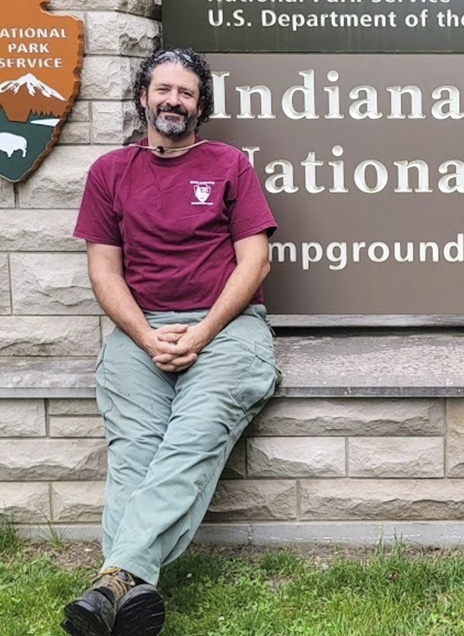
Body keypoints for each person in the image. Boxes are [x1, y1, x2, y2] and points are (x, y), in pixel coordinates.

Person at [63, 48, 279, 636]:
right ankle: (127, 591)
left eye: (186, 93)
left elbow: (254, 261)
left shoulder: (230, 164)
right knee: (135, 450)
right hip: (140, 328)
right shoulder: (110, 172)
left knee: (195, 434)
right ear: (143, 97)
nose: (173, 101)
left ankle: (114, 579)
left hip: (228, 328)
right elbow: (104, 273)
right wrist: (146, 334)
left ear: (200, 104)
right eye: (163, 90)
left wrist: (203, 332)